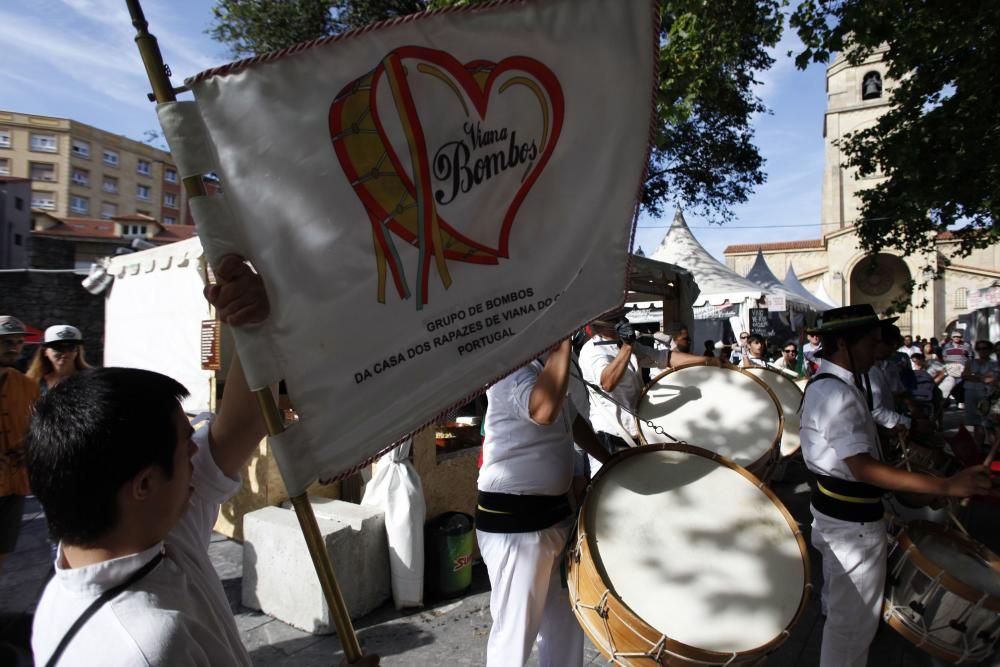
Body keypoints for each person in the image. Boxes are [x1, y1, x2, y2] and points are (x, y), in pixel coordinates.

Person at [28, 256, 380, 667]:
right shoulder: (147, 645)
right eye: (184, 444)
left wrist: (254, 320)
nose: (198, 448)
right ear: (143, 484)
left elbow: (235, 429)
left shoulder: (146, 532)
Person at [799, 304, 992, 667]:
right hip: (850, 527)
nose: (878, 352)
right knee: (851, 630)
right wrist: (947, 485)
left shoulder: (837, 386)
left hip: (844, 520)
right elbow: (864, 469)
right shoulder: (836, 394)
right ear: (843, 343)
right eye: (871, 344)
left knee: (848, 626)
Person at [476, 339, 608, 667]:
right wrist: (562, 342)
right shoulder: (508, 368)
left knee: (564, 624)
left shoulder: (544, 366)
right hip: (516, 522)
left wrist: (610, 459)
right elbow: (544, 410)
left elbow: (572, 420)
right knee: (516, 632)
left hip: (553, 516)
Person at [579, 310, 700, 461]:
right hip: (612, 438)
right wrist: (627, 347)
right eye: (617, 319)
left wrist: (705, 361)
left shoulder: (622, 345)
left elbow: (664, 357)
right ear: (604, 325)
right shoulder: (593, 351)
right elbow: (607, 383)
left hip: (635, 434)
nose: (624, 321)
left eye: (622, 317)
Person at [0, 316, 39, 574]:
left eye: (18, 342)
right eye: (5, 342)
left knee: (3, 550)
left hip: (14, 484)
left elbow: (33, 429)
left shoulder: (27, 386)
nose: (14, 347)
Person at [26, 325, 93, 393]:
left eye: (71, 347)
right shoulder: (33, 383)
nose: (66, 352)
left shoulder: (92, 380)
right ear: (45, 351)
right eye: (58, 347)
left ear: (77, 351)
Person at [963, 340, 997, 448]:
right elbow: (964, 375)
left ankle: (995, 451)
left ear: (990, 350)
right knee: (976, 423)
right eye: (979, 348)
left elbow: (990, 379)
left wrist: (974, 376)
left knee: (988, 424)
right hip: (970, 393)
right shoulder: (970, 362)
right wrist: (981, 377)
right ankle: (979, 449)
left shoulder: (994, 364)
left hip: (986, 394)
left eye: (985, 348)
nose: (982, 351)